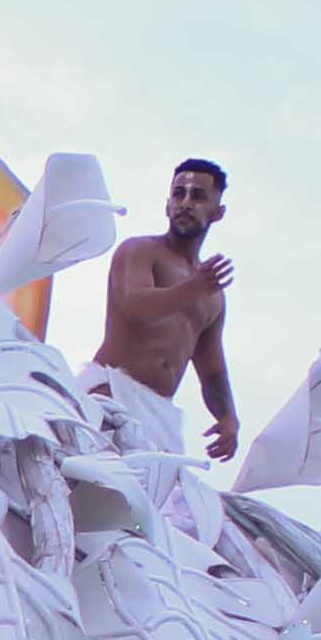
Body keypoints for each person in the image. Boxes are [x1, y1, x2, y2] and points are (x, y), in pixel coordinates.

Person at [98, 159, 245, 462]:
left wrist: (228, 418)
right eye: (179, 194)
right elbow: (135, 306)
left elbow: (212, 369)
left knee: (155, 505)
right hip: (110, 391)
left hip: (159, 416)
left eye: (199, 196)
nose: (186, 203)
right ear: (167, 205)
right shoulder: (139, 250)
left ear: (218, 212)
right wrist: (195, 288)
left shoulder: (213, 295)